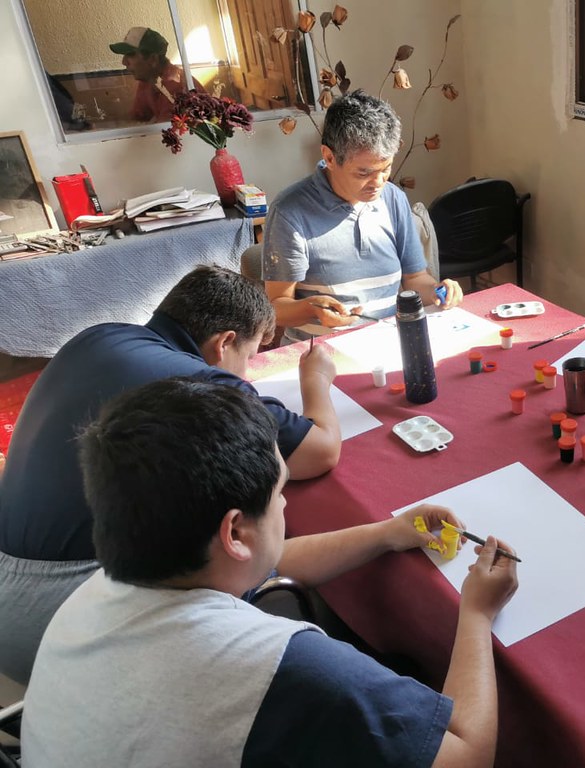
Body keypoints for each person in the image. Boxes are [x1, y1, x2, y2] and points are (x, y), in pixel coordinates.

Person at [22, 378, 518, 766]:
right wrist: (475, 613)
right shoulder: (283, 668)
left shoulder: (107, 585)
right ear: (235, 531)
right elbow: (467, 755)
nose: (283, 504)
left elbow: (272, 561)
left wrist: (388, 533)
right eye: (279, 492)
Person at [0, 265, 341, 685]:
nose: (246, 373)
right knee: (241, 554)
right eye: (249, 357)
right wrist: (316, 380)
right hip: (67, 617)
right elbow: (321, 452)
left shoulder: (98, 335)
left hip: (7, 576)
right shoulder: (204, 385)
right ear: (224, 343)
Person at [262, 89, 462, 343]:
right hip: (319, 354)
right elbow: (275, 307)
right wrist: (311, 309)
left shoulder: (393, 198)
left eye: (386, 168)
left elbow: (415, 279)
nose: (378, 183)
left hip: (387, 342)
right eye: (363, 173)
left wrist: (437, 291)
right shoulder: (290, 212)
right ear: (329, 157)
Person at [109, 26, 203, 123]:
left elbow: (167, 128)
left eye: (130, 55)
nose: (124, 62)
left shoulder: (175, 87)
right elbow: (136, 117)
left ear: (153, 59)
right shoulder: (148, 78)